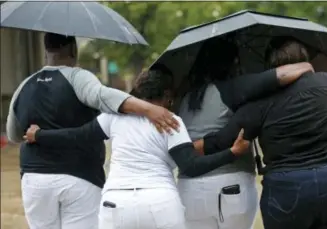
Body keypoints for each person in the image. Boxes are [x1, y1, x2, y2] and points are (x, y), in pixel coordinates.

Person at [22, 68, 251, 229]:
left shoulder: (114, 117)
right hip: (160, 204)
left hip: (116, 204)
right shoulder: (171, 121)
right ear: (168, 96)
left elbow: (77, 136)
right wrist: (231, 153)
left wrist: (39, 135)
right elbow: (191, 166)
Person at [6, 33, 179, 229]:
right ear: (73, 50)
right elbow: (104, 96)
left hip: (34, 179)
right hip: (79, 177)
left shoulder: (24, 85)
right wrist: (148, 108)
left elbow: (13, 134)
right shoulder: (77, 77)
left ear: (46, 51)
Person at [195, 37, 327, 229]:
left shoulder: (259, 102)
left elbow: (222, 140)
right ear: (304, 58)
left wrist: (183, 147)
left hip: (289, 189)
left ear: (270, 65)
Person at [176, 37, 314, 229]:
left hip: (188, 190)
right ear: (233, 62)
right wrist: (306, 65)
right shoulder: (233, 88)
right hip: (229, 186)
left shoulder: (186, 97)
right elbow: (280, 76)